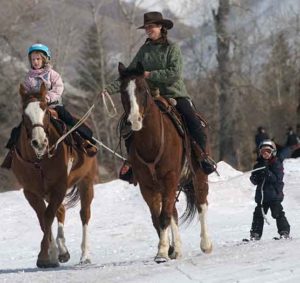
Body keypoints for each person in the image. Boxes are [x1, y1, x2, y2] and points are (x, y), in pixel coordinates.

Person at [100, 11, 217, 181]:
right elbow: (129, 76)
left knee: (193, 122)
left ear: (161, 27)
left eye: (151, 27)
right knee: (126, 124)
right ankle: (132, 160)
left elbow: (175, 73)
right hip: (149, 97)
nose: (148, 30)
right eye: (146, 27)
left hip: (174, 94)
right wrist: (108, 89)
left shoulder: (172, 48)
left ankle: (203, 157)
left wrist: (149, 75)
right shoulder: (144, 50)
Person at [1, 43, 95, 169]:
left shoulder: (52, 74)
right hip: (36, 108)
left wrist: (47, 97)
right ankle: (12, 154)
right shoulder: (29, 77)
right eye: (33, 59)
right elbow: (27, 93)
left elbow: (58, 88)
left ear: (44, 59)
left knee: (69, 120)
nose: (35, 61)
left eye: (38, 59)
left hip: (54, 105)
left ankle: (85, 140)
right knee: (19, 129)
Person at [249, 140, 290, 240]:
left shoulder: (276, 163)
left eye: (268, 151)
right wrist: (255, 176)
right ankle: (255, 234)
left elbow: (277, 179)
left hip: (274, 195)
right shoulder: (258, 165)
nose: (265, 154)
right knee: (258, 214)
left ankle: (284, 232)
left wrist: (267, 172)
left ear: (273, 152)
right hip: (262, 196)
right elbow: (254, 180)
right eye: (263, 152)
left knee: (277, 213)